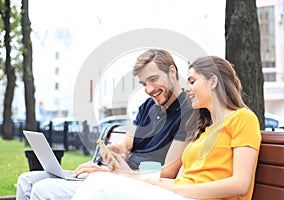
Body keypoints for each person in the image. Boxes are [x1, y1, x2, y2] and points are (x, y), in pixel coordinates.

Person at [71, 56, 262, 200]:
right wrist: (123, 174)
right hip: (178, 195)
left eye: (193, 81)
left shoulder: (243, 118)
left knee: (100, 184)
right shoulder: (203, 130)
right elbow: (179, 180)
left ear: (213, 81)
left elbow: (240, 184)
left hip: (189, 197)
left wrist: (175, 190)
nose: (188, 88)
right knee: (101, 181)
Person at [16, 49, 193, 200]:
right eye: (144, 83)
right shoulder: (148, 106)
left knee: (43, 189)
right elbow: (125, 143)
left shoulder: (189, 109)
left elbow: (168, 172)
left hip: (132, 183)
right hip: (115, 175)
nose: (148, 89)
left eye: (153, 79)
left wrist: (113, 173)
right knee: (27, 180)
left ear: (172, 72)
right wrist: (114, 152)